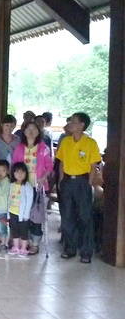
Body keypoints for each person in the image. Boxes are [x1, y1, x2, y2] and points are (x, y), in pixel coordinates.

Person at [56, 112, 101, 264]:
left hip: (82, 181)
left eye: (74, 121)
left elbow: (93, 166)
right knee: (67, 216)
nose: (70, 124)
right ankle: (70, 248)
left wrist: (89, 183)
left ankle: (86, 252)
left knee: (85, 217)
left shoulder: (90, 143)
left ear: (82, 125)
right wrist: (61, 180)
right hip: (67, 181)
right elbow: (61, 163)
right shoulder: (66, 141)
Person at [11, 121, 53, 255]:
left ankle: (35, 243)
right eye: (28, 128)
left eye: (34, 128)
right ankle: (25, 241)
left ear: (38, 131)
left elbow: (50, 166)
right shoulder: (19, 148)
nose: (30, 131)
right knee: (22, 215)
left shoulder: (43, 147)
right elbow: (14, 165)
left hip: (38, 187)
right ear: (23, 131)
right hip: (22, 187)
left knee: (36, 217)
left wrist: (44, 177)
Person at [8, 162, 34, 256]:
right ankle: (16, 247)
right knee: (14, 231)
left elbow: (29, 201)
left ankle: (23, 248)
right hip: (12, 212)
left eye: (22, 172)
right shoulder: (11, 185)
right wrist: (8, 213)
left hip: (23, 215)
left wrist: (26, 215)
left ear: (26, 173)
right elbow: (9, 199)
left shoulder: (27, 186)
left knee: (23, 232)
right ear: (13, 173)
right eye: (17, 172)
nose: (20, 174)